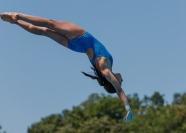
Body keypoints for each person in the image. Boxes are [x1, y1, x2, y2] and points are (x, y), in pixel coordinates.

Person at [0, 12, 134, 122]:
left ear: (112, 82)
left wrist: (127, 108)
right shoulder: (104, 70)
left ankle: (18, 16)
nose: (121, 80)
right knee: (45, 32)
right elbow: (118, 89)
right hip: (76, 47)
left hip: (81, 37)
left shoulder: (105, 70)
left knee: (48, 23)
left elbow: (120, 91)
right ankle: (16, 22)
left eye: (120, 82)